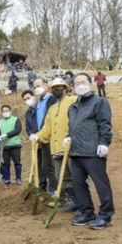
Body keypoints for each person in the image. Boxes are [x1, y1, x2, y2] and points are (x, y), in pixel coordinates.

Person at [66, 72, 114, 229]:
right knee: (78, 183)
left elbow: (104, 124)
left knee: (101, 183)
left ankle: (106, 215)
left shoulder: (99, 102)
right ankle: (87, 212)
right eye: (76, 84)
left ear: (91, 84)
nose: (80, 86)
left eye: (83, 82)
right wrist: (68, 137)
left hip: (93, 151)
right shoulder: (73, 107)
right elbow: (73, 126)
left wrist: (104, 142)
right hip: (76, 151)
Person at [30, 78, 78, 209]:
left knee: (77, 176)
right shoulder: (52, 109)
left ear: (66, 88)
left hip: (72, 146)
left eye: (60, 87)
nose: (57, 90)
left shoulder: (74, 101)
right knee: (62, 178)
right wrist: (37, 136)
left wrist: (72, 136)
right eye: (55, 88)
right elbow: (47, 129)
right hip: (56, 148)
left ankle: (84, 203)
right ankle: (74, 201)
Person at [31, 78, 58, 195]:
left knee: (50, 166)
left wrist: (42, 132)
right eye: (34, 87)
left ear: (46, 85)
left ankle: (59, 190)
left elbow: (49, 119)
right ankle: (58, 190)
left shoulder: (52, 99)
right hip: (41, 137)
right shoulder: (38, 103)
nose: (37, 88)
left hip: (51, 136)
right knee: (44, 166)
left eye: (39, 85)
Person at [0, 105, 22, 185]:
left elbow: (18, 129)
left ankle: (18, 179)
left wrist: (7, 135)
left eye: (7, 110)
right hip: (5, 146)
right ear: (1, 113)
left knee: (17, 162)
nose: (5, 112)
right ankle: (7, 179)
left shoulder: (16, 119)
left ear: (10, 111)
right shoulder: (0, 122)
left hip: (15, 144)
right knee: (6, 163)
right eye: (4, 111)